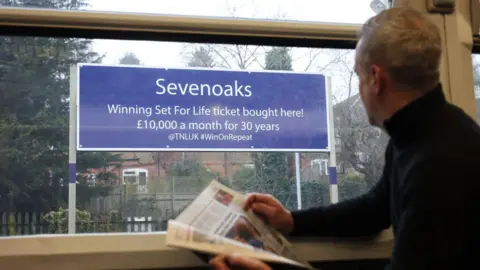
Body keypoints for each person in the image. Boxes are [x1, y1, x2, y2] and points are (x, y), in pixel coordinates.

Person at [210, 7, 480, 270]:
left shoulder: (442, 164)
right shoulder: (418, 134)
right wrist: (292, 220)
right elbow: (374, 210)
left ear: (375, 79)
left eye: (358, 75)